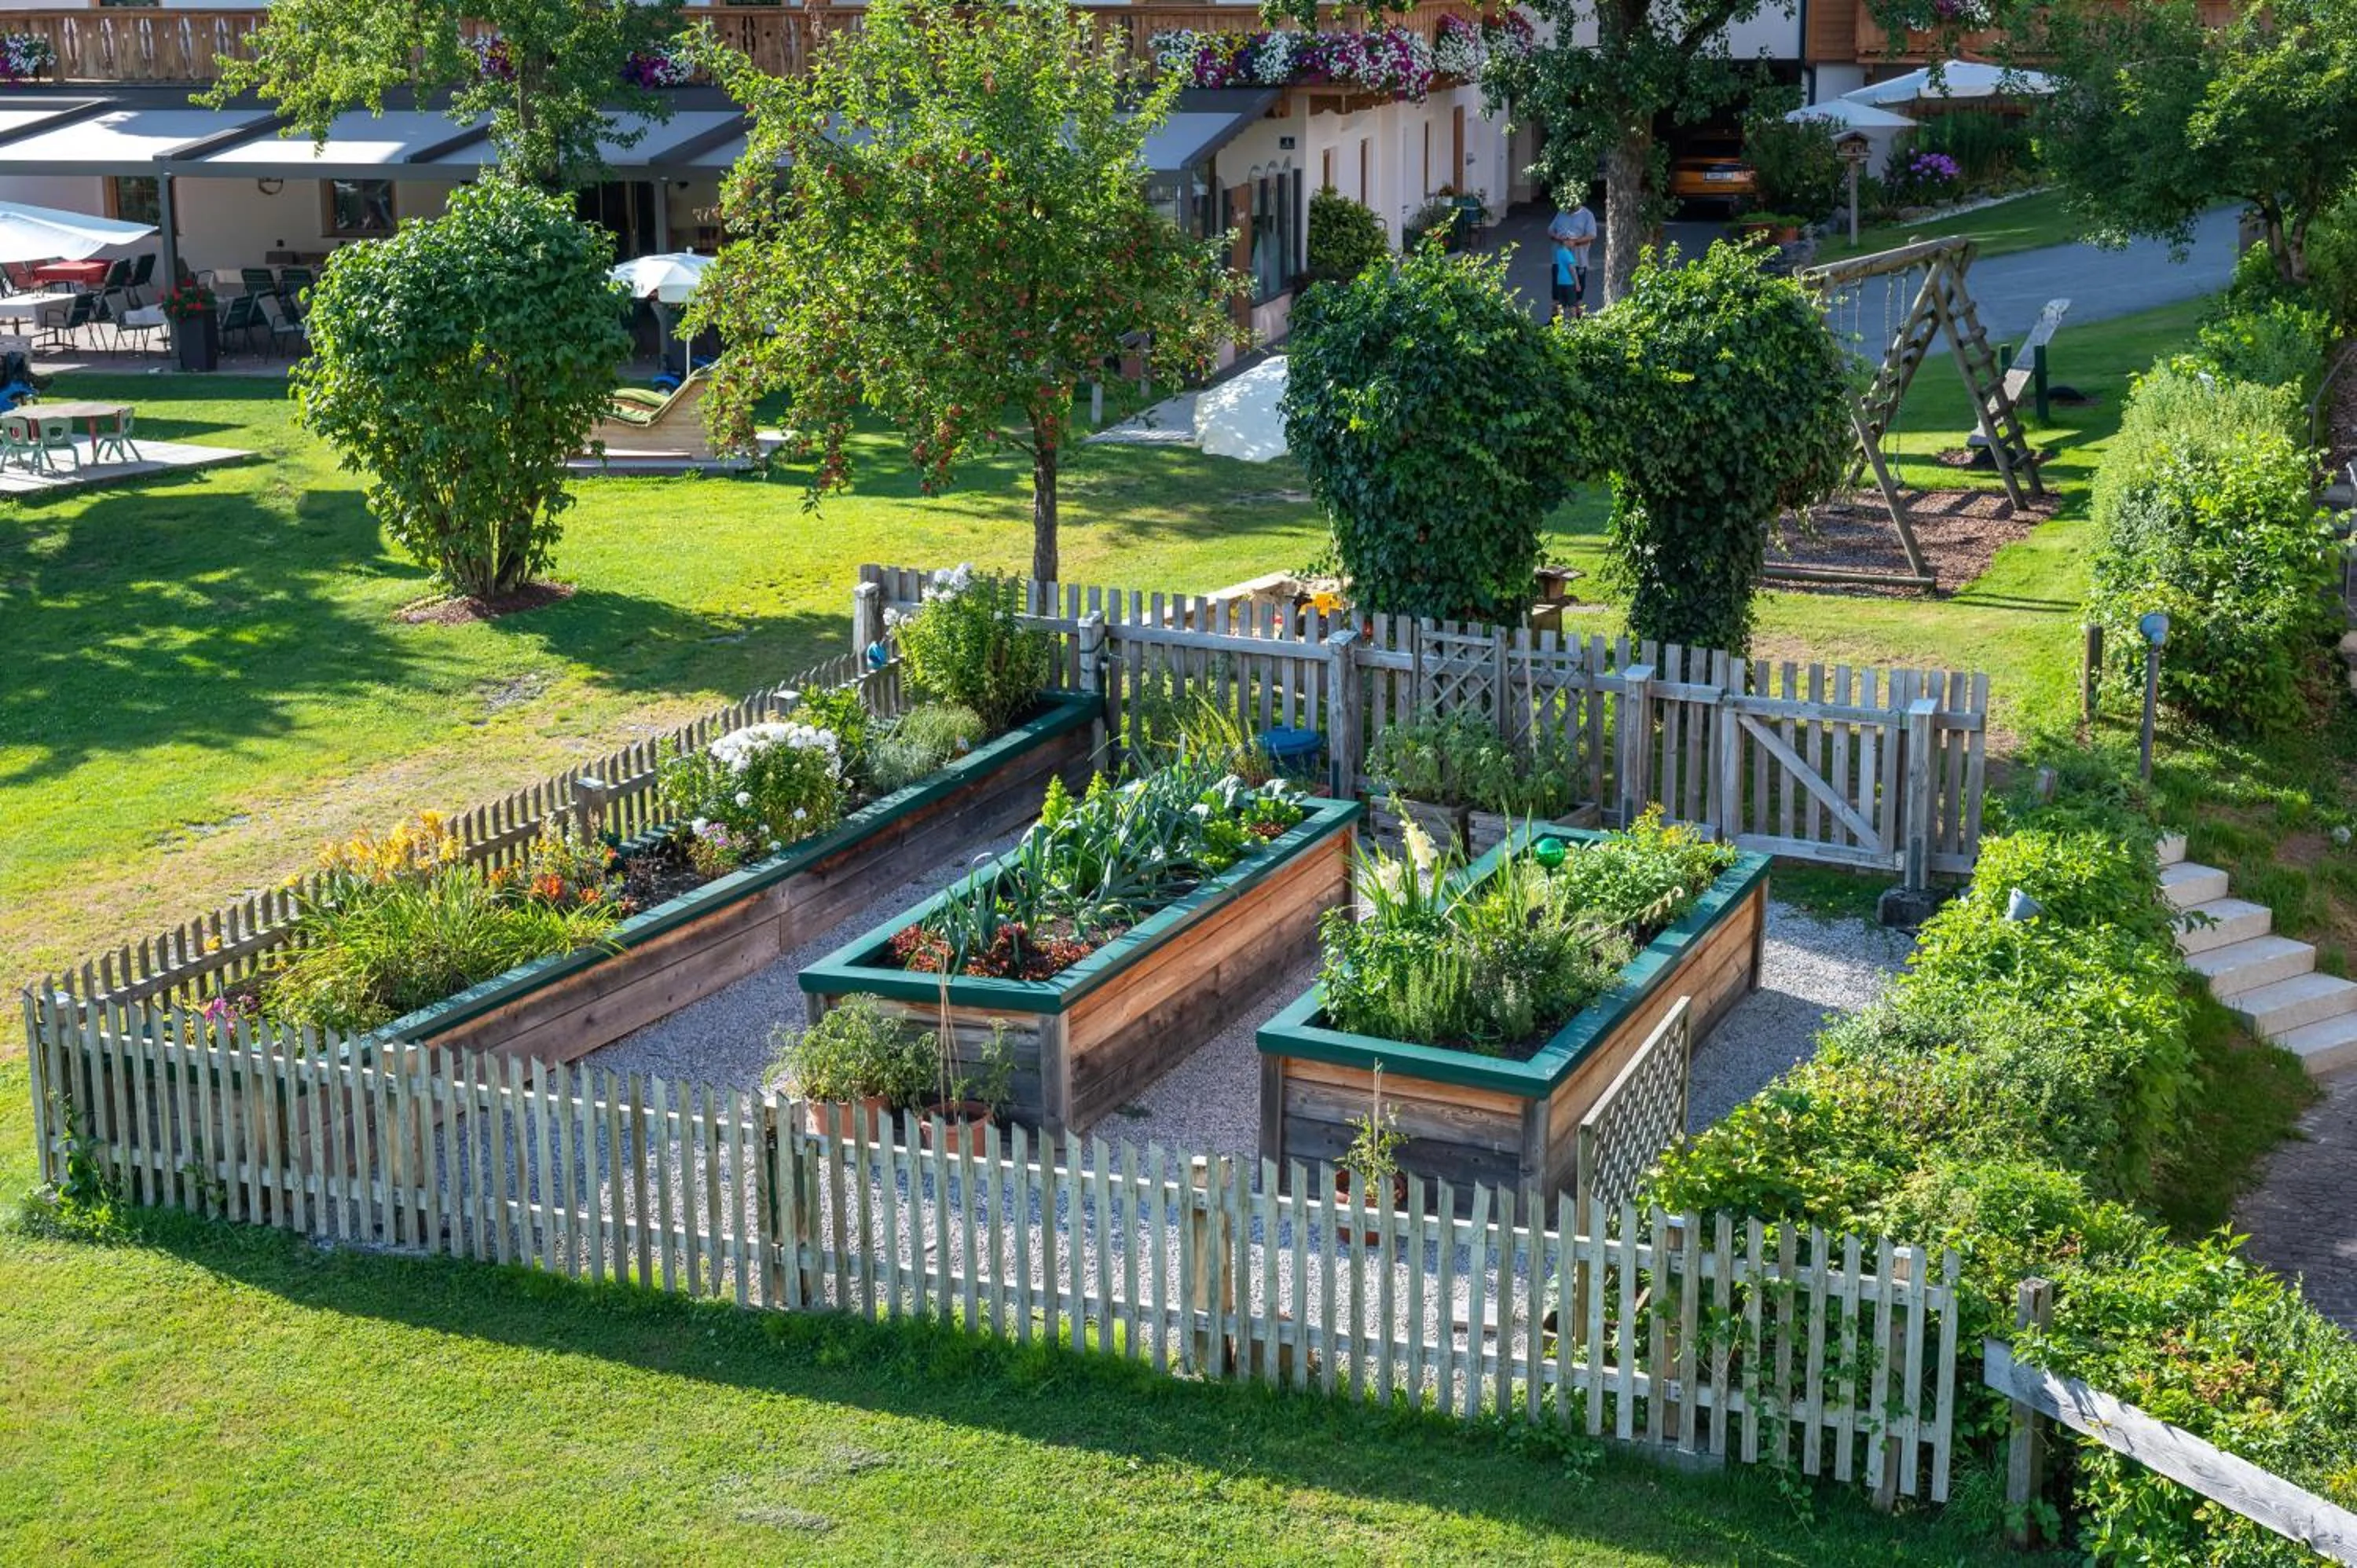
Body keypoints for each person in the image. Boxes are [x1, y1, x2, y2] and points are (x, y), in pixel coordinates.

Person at [1547, 190, 1597, 320]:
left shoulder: (1587, 215)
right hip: (1559, 260)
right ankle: (1554, 320)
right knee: (1556, 292)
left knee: (1578, 292)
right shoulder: (1561, 212)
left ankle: (1579, 320)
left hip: (1578, 260)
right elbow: (1550, 230)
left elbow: (1592, 235)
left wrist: (1574, 241)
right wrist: (1558, 237)